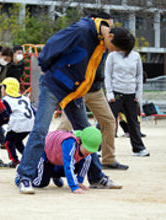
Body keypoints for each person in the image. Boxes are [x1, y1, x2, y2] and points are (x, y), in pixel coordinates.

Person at [16, 13, 134, 194]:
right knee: (40, 129)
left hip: (76, 91)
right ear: (110, 36)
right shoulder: (82, 30)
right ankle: (24, 176)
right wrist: (52, 72)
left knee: (87, 133)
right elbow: (52, 46)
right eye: (114, 48)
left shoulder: (103, 40)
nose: (112, 51)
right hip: (54, 84)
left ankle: (96, 177)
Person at [57, 65, 129, 170]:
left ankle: (108, 159)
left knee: (108, 121)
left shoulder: (104, 49)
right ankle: (53, 156)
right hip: (77, 89)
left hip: (95, 89)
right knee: (66, 124)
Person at [28, 127, 104, 194]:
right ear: (80, 141)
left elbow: (85, 163)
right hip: (46, 155)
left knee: (85, 159)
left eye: (91, 151)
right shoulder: (70, 142)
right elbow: (68, 166)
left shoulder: (87, 153)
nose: (88, 153)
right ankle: (22, 177)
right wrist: (74, 187)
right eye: (87, 149)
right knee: (40, 183)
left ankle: (55, 174)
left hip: (59, 158)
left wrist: (78, 182)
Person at [104, 46, 149, 157]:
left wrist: (138, 94)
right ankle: (96, 148)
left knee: (133, 121)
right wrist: (109, 93)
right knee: (106, 121)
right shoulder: (112, 56)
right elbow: (108, 75)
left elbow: (139, 75)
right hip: (115, 94)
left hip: (131, 94)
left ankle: (138, 148)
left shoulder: (136, 56)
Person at [0, 77, 35, 168]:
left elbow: (5, 116)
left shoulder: (6, 100)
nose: (1, 89)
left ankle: (14, 160)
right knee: (18, 141)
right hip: (29, 124)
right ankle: (28, 158)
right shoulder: (25, 98)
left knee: (8, 142)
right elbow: (32, 111)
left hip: (18, 124)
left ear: (7, 88)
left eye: (3, 87)